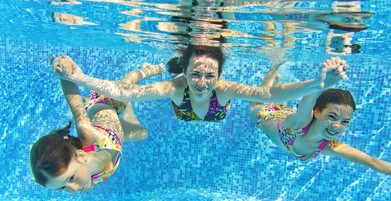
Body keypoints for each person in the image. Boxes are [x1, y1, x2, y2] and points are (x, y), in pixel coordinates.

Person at [50, 45, 347, 123]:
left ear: (219, 74)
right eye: (196, 74)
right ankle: (157, 68)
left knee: (265, 92)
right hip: (185, 112)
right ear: (185, 71)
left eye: (210, 75)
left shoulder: (223, 88)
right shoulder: (177, 86)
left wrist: (318, 82)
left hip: (217, 113)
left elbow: (268, 93)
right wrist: (79, 76)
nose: (203, 83)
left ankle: (275, 66)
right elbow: (129, 93)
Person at [30, 60, 165, 193]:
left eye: (71, 178)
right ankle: (128, 107)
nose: (74, 189)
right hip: (115, 132)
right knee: (142, 133)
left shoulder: (87, 135)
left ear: (82, 156)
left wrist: (62, 68)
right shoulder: (84, 175)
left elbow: (76, 105)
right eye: (62, 188)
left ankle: (148, 69)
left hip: (105, 103)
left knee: (128, 83)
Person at [249, 58, 391, 175]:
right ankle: (276, 64)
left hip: (285, 116)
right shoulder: (302, 122)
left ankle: (280, 91)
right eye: (332, 116)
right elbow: (308, 99)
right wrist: (324, 81)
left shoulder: (330, 146)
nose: (337, 126)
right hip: (265, 113)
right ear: (316, 111)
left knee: (282, 103)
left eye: (345, 122)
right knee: (262, 97)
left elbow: (372, 162)